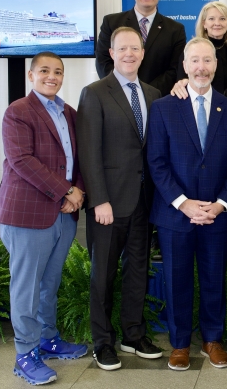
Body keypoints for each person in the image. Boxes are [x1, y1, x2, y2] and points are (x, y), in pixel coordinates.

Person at [147, 37, 227, 371]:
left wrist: (220, 204)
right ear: (184, 65)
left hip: (215, 214)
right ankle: (179, 343)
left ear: (216, 65)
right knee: (177, 279)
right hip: (175, 215)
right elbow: (156, 162)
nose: (201, 67)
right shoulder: (163, 107)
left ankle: (212, 340)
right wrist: (183, 203)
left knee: (214, 278)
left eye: (207, 60)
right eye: (195, 61)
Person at [0, 52, 88, 386]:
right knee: (27, 286)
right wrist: (65, 190)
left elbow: (82, 159)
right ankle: (25, 355)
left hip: (63, 215)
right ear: (31, 75)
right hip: (27, 214)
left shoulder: (70, 113)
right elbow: (22, 160)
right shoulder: (18, 112)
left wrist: (78, 191)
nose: (52, 76)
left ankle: (48, 339)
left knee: (50, 283)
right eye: (45, 71)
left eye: (58, 71)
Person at [77, 26, 163, 371]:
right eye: (122, 48)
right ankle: (102, 341)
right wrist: (99, 199)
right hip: (108, 204)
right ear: (111, 53)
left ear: (142, 53)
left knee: (137, 272)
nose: (130, 54)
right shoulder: (95, 92)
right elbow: (89, 152)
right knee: (103, 276)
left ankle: (132, 333)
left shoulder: (155, 94)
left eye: (135, 49)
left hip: (145, 202)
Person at [95, 0, 187, 96]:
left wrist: (147, 92)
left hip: (157, 99)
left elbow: (175, 69)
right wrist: (124, 87)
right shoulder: (111, 22)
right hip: (118, 97)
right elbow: (103, 61)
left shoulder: (175, 29)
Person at [170, 1, 227, 98]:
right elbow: (182, 84)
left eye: (222, 19)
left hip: (226, 109)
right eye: (211, 19)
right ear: (204, 23)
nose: (217, 23)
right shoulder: (191, 51)